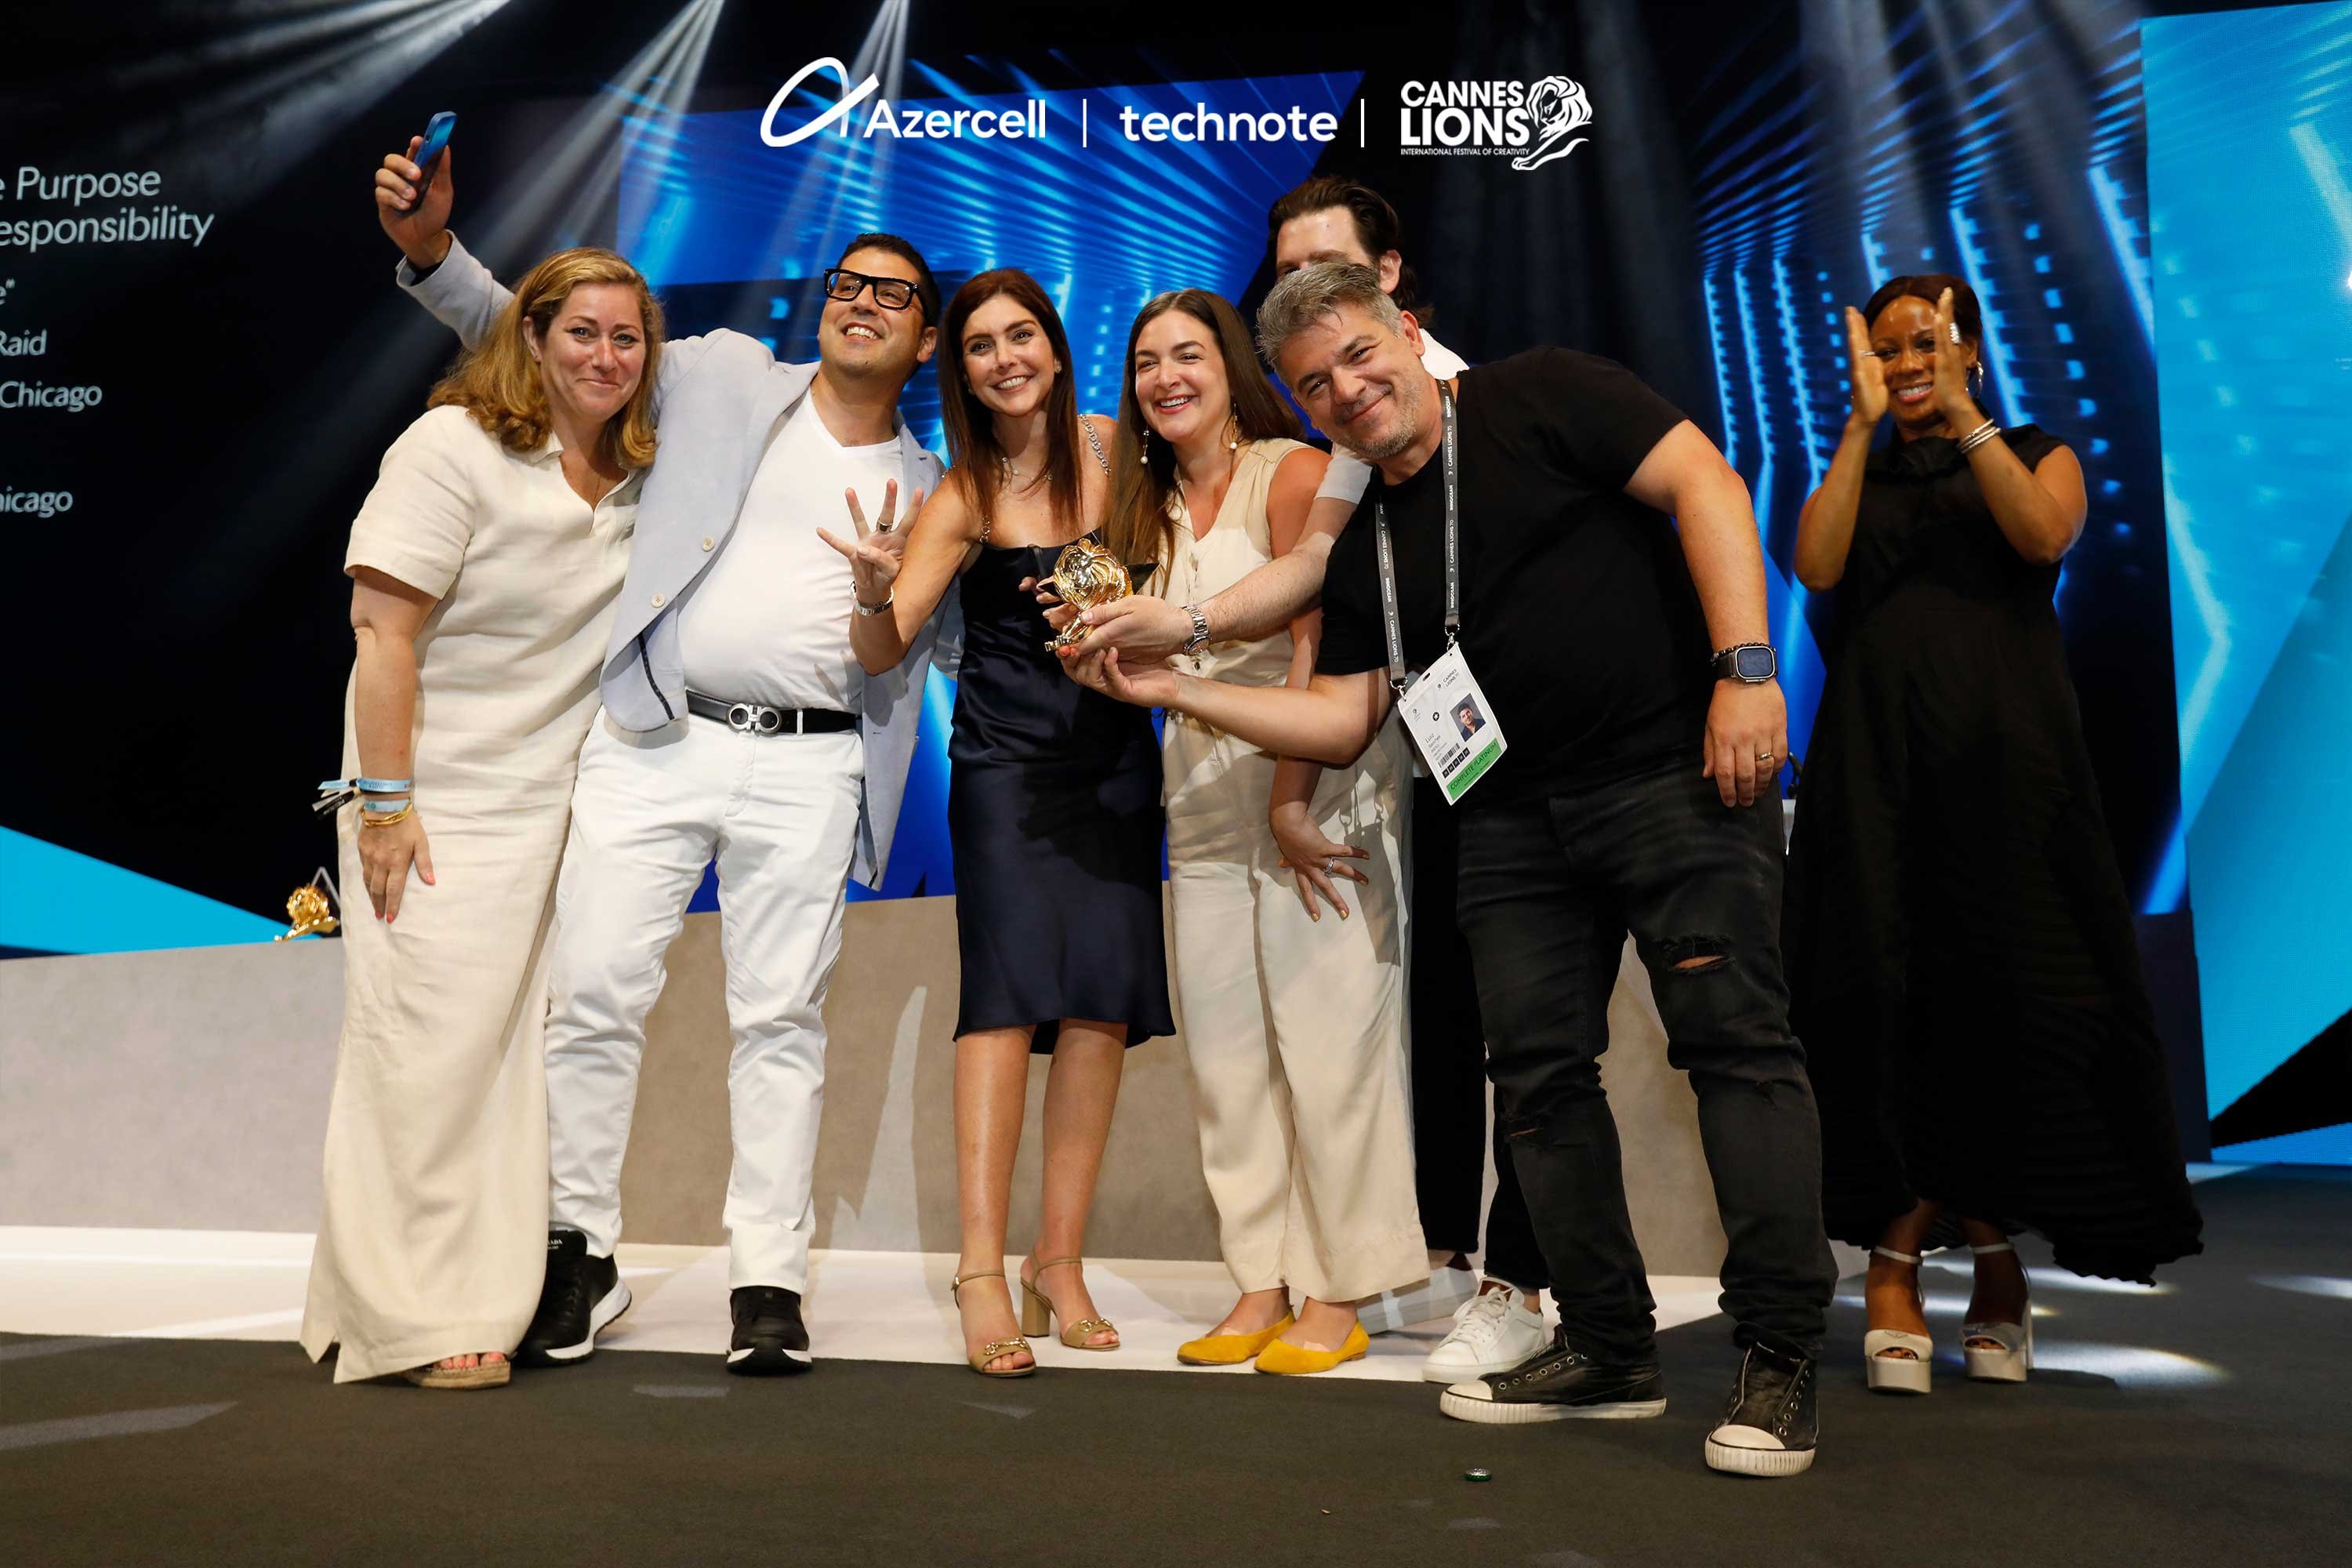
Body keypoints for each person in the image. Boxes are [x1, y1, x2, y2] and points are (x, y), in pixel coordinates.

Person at [1070, 262, 1837, 1478]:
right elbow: (1342, 717)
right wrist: (1174, 688)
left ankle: (1782, 1354)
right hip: (1508, 821)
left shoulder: (1545, 394)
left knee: (1735, 1052)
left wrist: (1747, 671)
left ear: (1408, 332)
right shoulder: (1364, 529)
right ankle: (1607, 1345)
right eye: (1316, 383)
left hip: (1669, 780)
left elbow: (1707, 481)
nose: (1347, 390)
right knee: (1537, 1080)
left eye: (1359, 355)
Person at [372, 138, 953, 1375]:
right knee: (591, 997)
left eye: (893, 294)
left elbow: (951, 641)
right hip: (656, 736)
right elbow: (547, 341)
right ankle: (577, 1254)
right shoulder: (724, 375)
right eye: (849, 282)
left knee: (781, 1020)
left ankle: (767, 1280)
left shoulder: (934, 488)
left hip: (813, 766)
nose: (862, 301)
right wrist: (434, 255)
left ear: (926, 341)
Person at [1786, 276, 2203, 1393]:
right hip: (1876, 769)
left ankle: (1995, 1259)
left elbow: (2043, 533)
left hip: (2009, 769)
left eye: (1926, 342)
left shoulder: (2034, 450)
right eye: (1887, 348)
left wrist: (1967, 417)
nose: (1906, 362)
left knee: (1999, 1000)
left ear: (1968, 348)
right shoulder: (1863, 463)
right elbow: (1816, 567)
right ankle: (1893, 1261)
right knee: (1888, 999)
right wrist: (1859, 431)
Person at [299, 246, 658, 1388]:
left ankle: (441, 1291)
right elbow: (382, 634)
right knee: (422, 1052)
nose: (606, 356)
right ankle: (411, 1316)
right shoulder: (450, 447)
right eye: (582, 332)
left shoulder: (645, 473)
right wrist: (385, 808)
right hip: (427, 796)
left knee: (504, 1065)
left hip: (552, 807)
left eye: (627, 337)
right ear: (532, 338)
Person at [822, 269, 1171, 1377]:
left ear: (1057, 350)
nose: (1005, 358)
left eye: (1022, 336)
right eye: (980, 346)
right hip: (1007, 772)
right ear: (963, 373)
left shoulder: (1119, 448)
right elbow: (883, 647)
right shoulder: (964, 492)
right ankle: (981, 1271)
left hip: (1117, 764)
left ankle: (1057, 1262)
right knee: (1005, 1002)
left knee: (1102, 1004)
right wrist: (872, 590)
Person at [1260, 176, 1548, 1380]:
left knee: (1538, 1033)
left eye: (1330, 267)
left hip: (1562, 761)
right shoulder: (1347, 432)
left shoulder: (1485, 402)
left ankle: (1526, 1276)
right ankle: (1450, 1252)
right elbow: (1321, 582)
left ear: (1392, 283)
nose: (1309, 293)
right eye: (1288, 275)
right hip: (1444, 749)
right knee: (1454, 1012)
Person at [1109, 289, 1423, 1375]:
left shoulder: (1292, 471)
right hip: (1198, 804)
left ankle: (1340, 1292)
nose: (1166, 378)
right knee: (1229, 1062)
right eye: (1146, 362)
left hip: (1318, 791)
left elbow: (1318, 644)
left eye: (1188, 354)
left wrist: (1292, 800)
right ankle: (1259, 1280)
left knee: (1333, 1052)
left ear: (1232, 368)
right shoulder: (1142, 509)